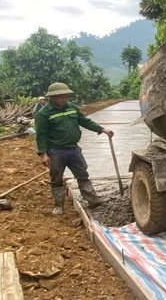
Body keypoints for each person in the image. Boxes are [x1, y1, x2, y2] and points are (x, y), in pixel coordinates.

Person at [35, 82, 113, 215]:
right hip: (55, 151)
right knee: (56, 179)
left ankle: (93, 200)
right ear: (52, 98)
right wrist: (43, 154)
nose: (64, 99)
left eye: (66, 96)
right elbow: (41, 135)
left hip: (73, 149)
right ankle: (58, 206)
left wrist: (102, 129)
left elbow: (85, 121)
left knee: (82, 174)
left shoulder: (72, 108)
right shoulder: (43, 114)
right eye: (60, 97)